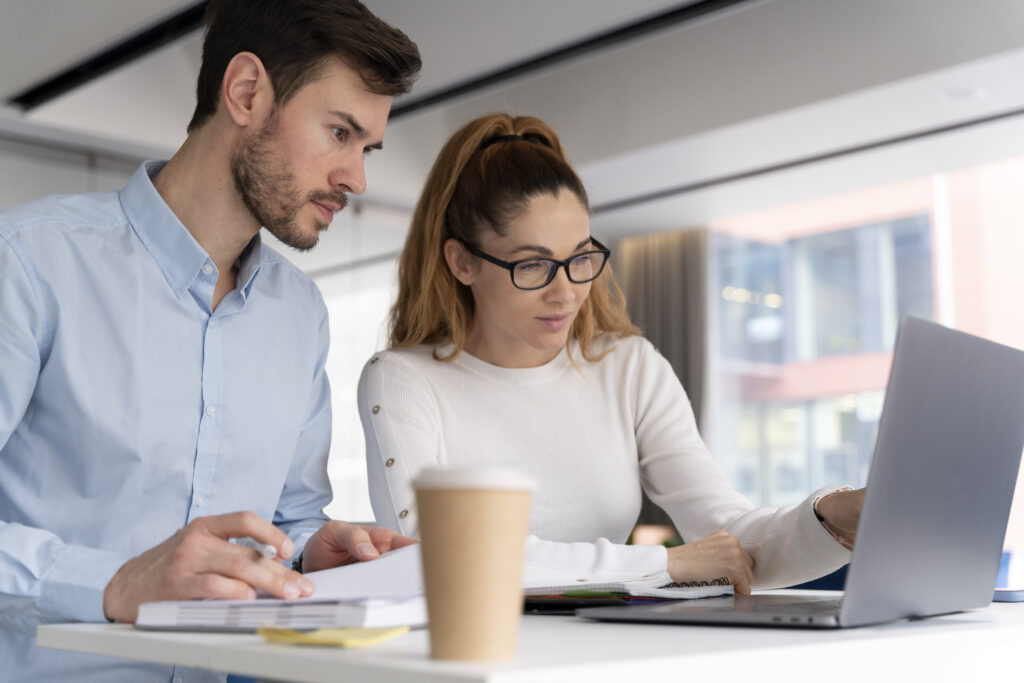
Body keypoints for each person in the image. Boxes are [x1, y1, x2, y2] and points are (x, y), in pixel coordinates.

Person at [0, 1, 420, 681]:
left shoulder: (300, 314)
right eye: (340, 131)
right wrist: (116, 582)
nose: (357, 178)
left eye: (366, 147)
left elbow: (290, 519)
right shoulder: (27, 263)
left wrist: (311, 551)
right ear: (247, 92)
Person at [358, 113, 865, 594]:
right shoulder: (403, 379)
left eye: (579, 257)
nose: (565, 293)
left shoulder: (628, 367)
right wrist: (662, 565)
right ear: (462, 261)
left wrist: (834, 515)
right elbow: (437, 555)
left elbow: (729, 533)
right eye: (532, 266)